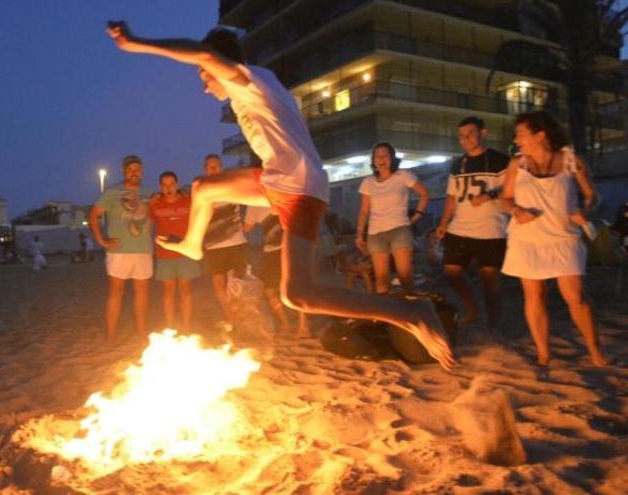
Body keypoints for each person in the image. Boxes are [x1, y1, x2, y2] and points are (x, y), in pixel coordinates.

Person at [106, 22, 454, 368]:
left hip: (298, 186)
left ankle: (409, 313)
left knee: (297, 294)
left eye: (204, 77)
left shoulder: (245, 79)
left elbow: (203, 53)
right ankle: (194, 244)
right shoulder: (257, 84)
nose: (205, 87)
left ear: (218, 66)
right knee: (203, 188)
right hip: (282, 181)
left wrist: (136, 43)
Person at [501, 111, 607, 368]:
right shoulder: (517, 165)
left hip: (563, 238)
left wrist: (585, 211)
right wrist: (517, 211)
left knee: (575, 297)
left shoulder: (570, 160)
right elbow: (505, 199)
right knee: (535, 296)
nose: (517, 140)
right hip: (527, 240)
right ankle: (544, 353)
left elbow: (593, 197)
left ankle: (594, 349)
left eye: (521, 134)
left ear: (541, 134)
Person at [435, 116, 511, 331]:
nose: (465, 139)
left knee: (490, 279)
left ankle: (493, 324)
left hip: (492, 228)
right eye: (461, 136)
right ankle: (472, 307)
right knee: (451, 271)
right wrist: (443, 222)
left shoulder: (500, 160)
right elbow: (451, 196)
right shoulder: (458, 164)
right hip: (460, 227)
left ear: (483, 133)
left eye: (470, 134)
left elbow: (514, 187)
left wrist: (490, 195)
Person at [88, 155, 153, 340]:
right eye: (130, 169)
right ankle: (111, 334)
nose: (134, 173)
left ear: (142, 171)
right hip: (119, 250)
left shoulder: (149, 193)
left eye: (137, 169)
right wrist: (102, 241)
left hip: (143, 249)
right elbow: (93, 216)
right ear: (124, 171)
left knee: (142, 293)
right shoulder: (112, 192)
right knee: (116, 292)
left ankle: (141, 331)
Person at [355, 142, 429, 294]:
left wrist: (416, 216)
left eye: (385, 155)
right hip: (375, 233)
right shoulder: (368, 182)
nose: (381, 159)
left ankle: (412, 311)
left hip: (399, 229)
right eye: (377, 156)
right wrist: (359, 232)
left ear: (392, 158)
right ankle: (387, 314)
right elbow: (364, 210)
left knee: (405, 276)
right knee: (381, 279)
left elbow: (424, 194)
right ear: (373, 160)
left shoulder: (403, 176)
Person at [243, 205, 309, 336]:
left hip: (274, 251)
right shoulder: (284, 195)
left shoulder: (254, 204)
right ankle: (303, 326)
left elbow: (247, 228)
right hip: (292, 246)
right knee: (295, 287)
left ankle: (288, 324)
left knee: (270, 290)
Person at [200, 154, 248, 322]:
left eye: (216, 166)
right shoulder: (202, 189)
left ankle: (241, 314)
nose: (213, 169)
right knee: (218, 284)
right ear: (205, 168)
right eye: (210, 166)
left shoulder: (231, 186)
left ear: (221, 166)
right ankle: (230, 316)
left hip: (235, 242)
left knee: (237, 282)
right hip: (213, 245)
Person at [149, 171, 200, 331]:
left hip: (185, 252)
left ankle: (186, 326)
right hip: (165, 254)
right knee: (168, 293)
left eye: (171, 184)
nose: (168, 188)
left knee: (185, 291)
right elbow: (147, 223)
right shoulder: (155, 204)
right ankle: (170, 326)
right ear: (160, 187)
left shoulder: (188, 201)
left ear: (176, 184)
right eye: (164, 185)